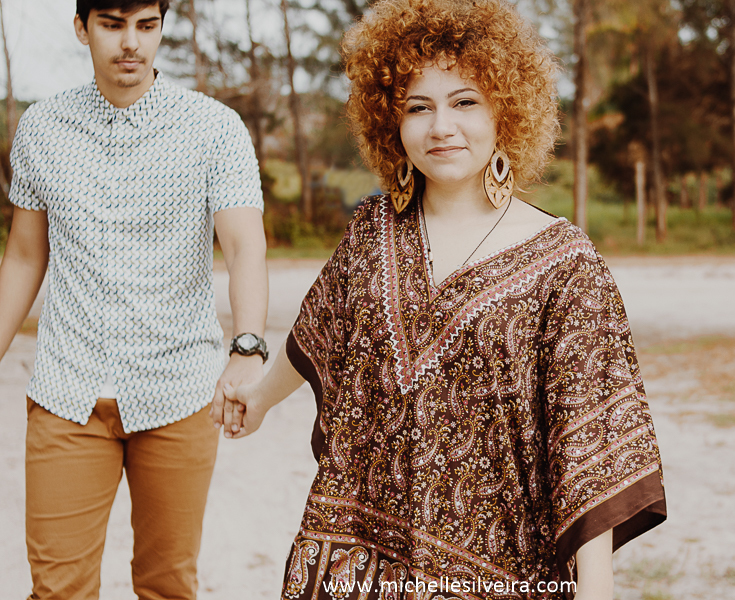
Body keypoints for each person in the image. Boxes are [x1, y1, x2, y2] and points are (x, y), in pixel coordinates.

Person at [216, 0, 666, 597]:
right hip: (359, 564)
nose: (441, 127)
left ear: (505, 110)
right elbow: (319, 333)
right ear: (390, 122)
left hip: (502, 573)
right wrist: (261, 399)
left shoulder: (566, 267)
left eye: (465, 102)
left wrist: (595, 590)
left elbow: (588, 445)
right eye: (418, 107)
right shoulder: (374, 232)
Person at [0, 1, 269, 598]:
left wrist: (247, 345)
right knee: (57, 590)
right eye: (113, 24)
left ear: (161, 29)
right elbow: (23, 255)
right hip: (67, 395)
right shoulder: (43, 128)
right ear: (81, 27)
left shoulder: (214, 127)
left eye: (146, 26)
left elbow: (244, 245)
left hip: (178, 394)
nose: (131, 44)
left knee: (167, 585)